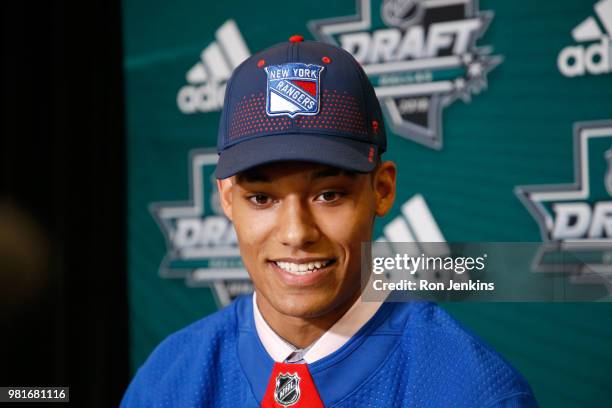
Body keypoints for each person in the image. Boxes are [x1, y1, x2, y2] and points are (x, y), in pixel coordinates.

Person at [121, 35, 538, 407]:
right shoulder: (168, 381)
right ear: (228, 200)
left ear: (382, 190)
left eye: (329, 195)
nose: (296, 232)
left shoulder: (474, 391)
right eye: (262, 197)